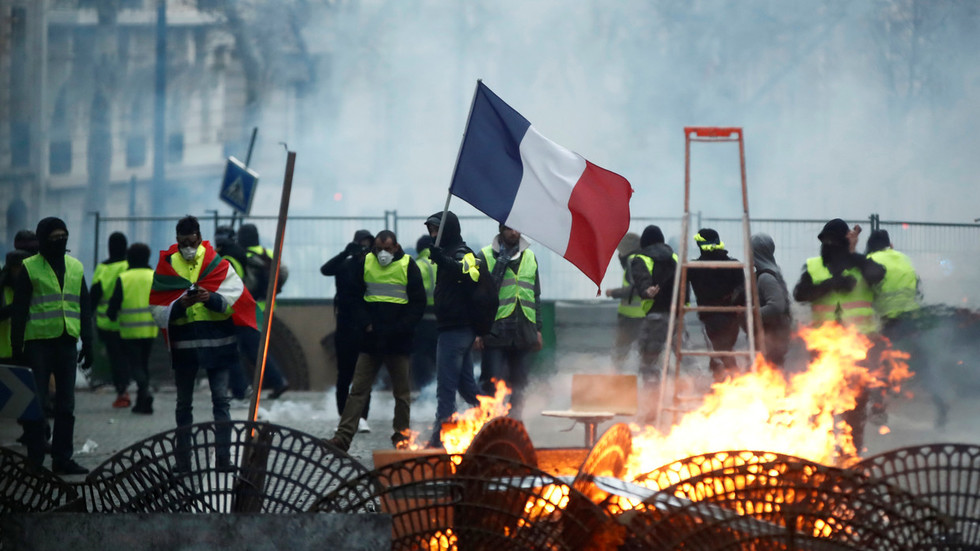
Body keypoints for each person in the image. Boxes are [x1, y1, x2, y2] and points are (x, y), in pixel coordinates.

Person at [149, 216, 256, 472]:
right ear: (177, 239)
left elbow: (236, 299)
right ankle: (183, 462)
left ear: (199, 236)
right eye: (183, 241)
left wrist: (211, 298)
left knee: (221, 402)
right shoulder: (167, 265)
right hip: (185, 347)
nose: (188, 245)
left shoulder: (217, 263)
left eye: (192, 240)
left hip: (218, 343)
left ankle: (223, 460)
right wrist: (178, 306)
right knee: (184, 405)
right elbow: (156, 307)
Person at [326, 231, 425, 451]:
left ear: (396, 247)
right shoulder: (365, 263)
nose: (382, 254)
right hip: (370, 340)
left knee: (401, 394)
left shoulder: (408, 265)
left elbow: (418, 303)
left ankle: (401, 436)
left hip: (397, 341)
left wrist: (400, 328)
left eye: (387, 249)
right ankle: (343, 437)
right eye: (379, 249)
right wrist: (366, 323)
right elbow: (352, 297)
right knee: (358, 391)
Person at [793, 218, 885, 452]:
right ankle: (819, 453)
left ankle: (852, 454)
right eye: (826, 241)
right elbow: (800, 294)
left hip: (857, 348)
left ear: (845, 242)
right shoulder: (814, 266)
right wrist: (831, 284)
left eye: (835, 241)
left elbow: (878, 275)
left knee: (855, 405)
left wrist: (854, 257)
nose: (829, 245)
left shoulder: (860, 264)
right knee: (821, 404)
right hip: (823, 348)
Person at [10, 217, 93, 475]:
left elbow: (84, 308)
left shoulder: (76, 267)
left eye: (63, 236)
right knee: (37, 404)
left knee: (66, 406)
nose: (60, 241)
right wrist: (17, 348)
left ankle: (62, 459)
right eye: (54, 237)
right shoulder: (29, 267)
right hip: (38, 346)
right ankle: (35, 461)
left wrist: (88, 343)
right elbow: (20, 310)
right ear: (43, 239)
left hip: (67, 343)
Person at [864, 229, 947, 425]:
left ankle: (878, 409)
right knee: (922, 363)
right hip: (911, 319)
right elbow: (917, 288)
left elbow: (868, 293)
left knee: (876, 363)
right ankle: (941, 405)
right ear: (888, 243)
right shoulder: (903, 257)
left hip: (890, 321)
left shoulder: (871, 259)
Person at [425, 210, 483, 448]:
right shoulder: (447, 252)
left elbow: (471, 274)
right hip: (453, 328)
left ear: (448, 229)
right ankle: (495, 414)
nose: (433, 235)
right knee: (467, 386)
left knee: (446, 389)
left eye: (437, 229)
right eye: (431, 230)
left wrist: (444, 261)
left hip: (456, 330)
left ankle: (440, 440)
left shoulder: (462, 252)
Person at [475, 224, 542, 419]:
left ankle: (515, 422)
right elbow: (477, 298)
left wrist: (538, 329)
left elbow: (535, 296)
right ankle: (485, 424)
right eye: (510, 229)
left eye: (518, 229)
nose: (515, 233)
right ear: (501, 230)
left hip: (523, 331)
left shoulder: (530, 257)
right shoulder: (485, 256)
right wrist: (478, 331)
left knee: (519, 384)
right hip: (495, 331)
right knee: (490, 382)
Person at [321, 229, 374, 433]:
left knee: (364, 375)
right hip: (344, 328)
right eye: (361, 244)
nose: (364, 249)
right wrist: (346, 253)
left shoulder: (373, 267)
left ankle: (362, 417)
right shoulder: (345, 265)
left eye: (368, 245)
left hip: (365, 328)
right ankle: (343, 416)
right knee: (344, 374)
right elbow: (325, 269)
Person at [236, 223, 289, 399]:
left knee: (252, 349)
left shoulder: (244, 256)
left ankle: (276, 381)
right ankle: (270, 382)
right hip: (268, 307)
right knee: (252, 347)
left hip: (250, 309)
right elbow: (283, 273)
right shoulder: (269, 254)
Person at [686, 228, 746, 383]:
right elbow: (742, 290)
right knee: (724, 352)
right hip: (733, 317)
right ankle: (724, 387)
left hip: (710, 318)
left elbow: (679, 287)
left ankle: (734, 384)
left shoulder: (694, 268)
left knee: (720, 354)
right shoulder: (734, 265)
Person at [106, 243, 158, 414]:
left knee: (135, 365)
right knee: (144, 363)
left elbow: (114, 304)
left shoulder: (124, 278)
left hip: (129, 331)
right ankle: (142, 403)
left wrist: (111, 316)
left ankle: (145, 390)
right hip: (150, 329)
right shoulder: (153, 276)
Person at [212, 225, 252, 403]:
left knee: (228, 352)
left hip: (227, 309)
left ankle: (241, 389)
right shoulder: (236, 254)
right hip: (234, 308)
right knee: (231, 351)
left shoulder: (227, 259)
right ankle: (239, 389)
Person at [90, 231, 130, 408]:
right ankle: (127, 388)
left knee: (115, 359)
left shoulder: (102, 268)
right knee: (127, 357)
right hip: (129, 322)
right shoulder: (129, 265)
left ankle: (121, 391)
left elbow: (94, 297)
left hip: (106, 323)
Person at [751, 233, 793, 368]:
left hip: (772, 336)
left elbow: (776, 306)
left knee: (771, 372)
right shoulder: (772, 272)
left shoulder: (766, 277)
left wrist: (751, 313)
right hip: (773, 334)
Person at [604, 232, 644, 369]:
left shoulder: (633, 261)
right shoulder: (642, 259)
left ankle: (615, 381)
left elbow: (637, 288)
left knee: (619, 353)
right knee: (647, 353)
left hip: (630, 318)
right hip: (644, 315)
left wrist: (614, 293)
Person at [411, 234, 438, 391]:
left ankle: (423, 391)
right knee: (440, 360)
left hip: (422, 321)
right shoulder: (444, 262)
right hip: (443, 320)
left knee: (421, 358)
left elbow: (412, 293)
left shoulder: (418, 265)